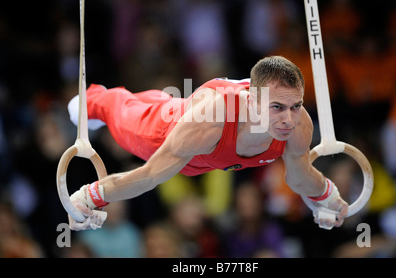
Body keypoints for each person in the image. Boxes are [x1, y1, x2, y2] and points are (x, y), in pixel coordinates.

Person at [67, 56, 348, 231]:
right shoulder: (211, 121)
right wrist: (91, 196)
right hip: (162, 131)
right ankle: (96, 99)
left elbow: (300, 177)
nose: (288, 119)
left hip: (188, 122)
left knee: (161, 99)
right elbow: (150, 176)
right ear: (251, 101)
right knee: (117, 108)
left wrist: (327, 197)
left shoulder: (299, 123)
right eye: (277, 107)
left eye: (295, 106)